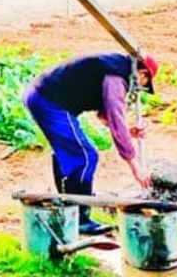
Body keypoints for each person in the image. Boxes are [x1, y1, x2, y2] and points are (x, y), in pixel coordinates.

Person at [23, 52, 158, 235]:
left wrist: (128, 131)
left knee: (69, 154)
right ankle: (81, 218)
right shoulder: (116, 79)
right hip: (50, 102)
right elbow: (116, 119)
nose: (141, 88)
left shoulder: (114, 68)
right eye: (144, 83)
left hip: (40, 96)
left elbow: (106, 115)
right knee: (85, 157)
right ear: (142, 74)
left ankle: (68, 211)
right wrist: (135, 167)